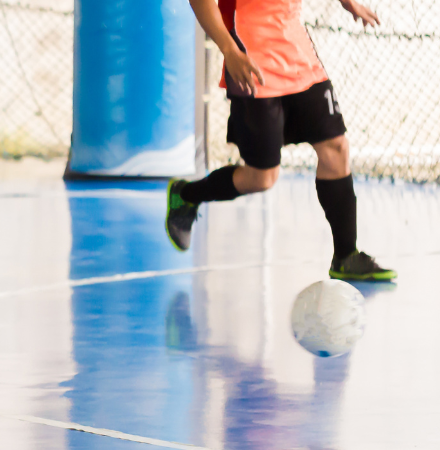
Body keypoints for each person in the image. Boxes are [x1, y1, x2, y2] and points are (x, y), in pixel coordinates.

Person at [165, 0, 396, 281]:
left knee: (336, 147)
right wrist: (229, 50)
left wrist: (348, 3)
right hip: (250, 61)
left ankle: (346, 256)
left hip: (298, 54)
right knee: (262, 178)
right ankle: (187, 195)